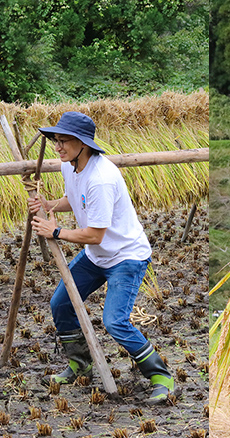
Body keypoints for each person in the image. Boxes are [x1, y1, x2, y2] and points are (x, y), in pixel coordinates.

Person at [27, 111, 177, 404]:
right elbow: (75, 199)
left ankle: (161, 377)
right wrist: (49, 204)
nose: (58, 147)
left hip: (125, 257)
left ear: (83, 144)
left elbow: (94, 234)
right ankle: (79, 364)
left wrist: (55, 231)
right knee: (60, 303)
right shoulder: (69, 167)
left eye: (64, 141)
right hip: (97, 256)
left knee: (115, 321)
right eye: (55, 141)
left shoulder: (102, 178)